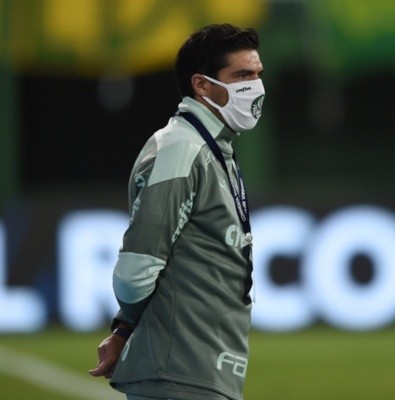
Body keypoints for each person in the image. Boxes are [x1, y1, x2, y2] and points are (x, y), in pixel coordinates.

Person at [89, 23, 265, 400]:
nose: (256, 87)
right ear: (201, 85)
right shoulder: (181, 150)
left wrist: (123, 330)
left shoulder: (214, 150)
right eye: (242, 76)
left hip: (198, 374)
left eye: (257, 74)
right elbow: (136, 268)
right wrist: (126, 325)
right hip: (181, 375)